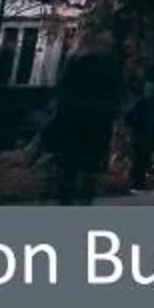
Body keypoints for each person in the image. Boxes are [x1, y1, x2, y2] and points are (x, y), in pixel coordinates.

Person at [43, 49, 125, 204]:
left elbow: (60, 100)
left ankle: (66, 199)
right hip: (93, 129)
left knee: (68, 169)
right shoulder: (105, 79)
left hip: (72, 127)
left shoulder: (73, 78)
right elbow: (114, 104)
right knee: (87, 169)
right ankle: (82, 199)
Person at [125, 62, 154, 190]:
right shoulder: (153, 99)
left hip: (144, 130)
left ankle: (138, 181)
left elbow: (130, 117)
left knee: (141, 156)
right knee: (142, 156)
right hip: (145, 130)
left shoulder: (145, 100)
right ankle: (138, 182)